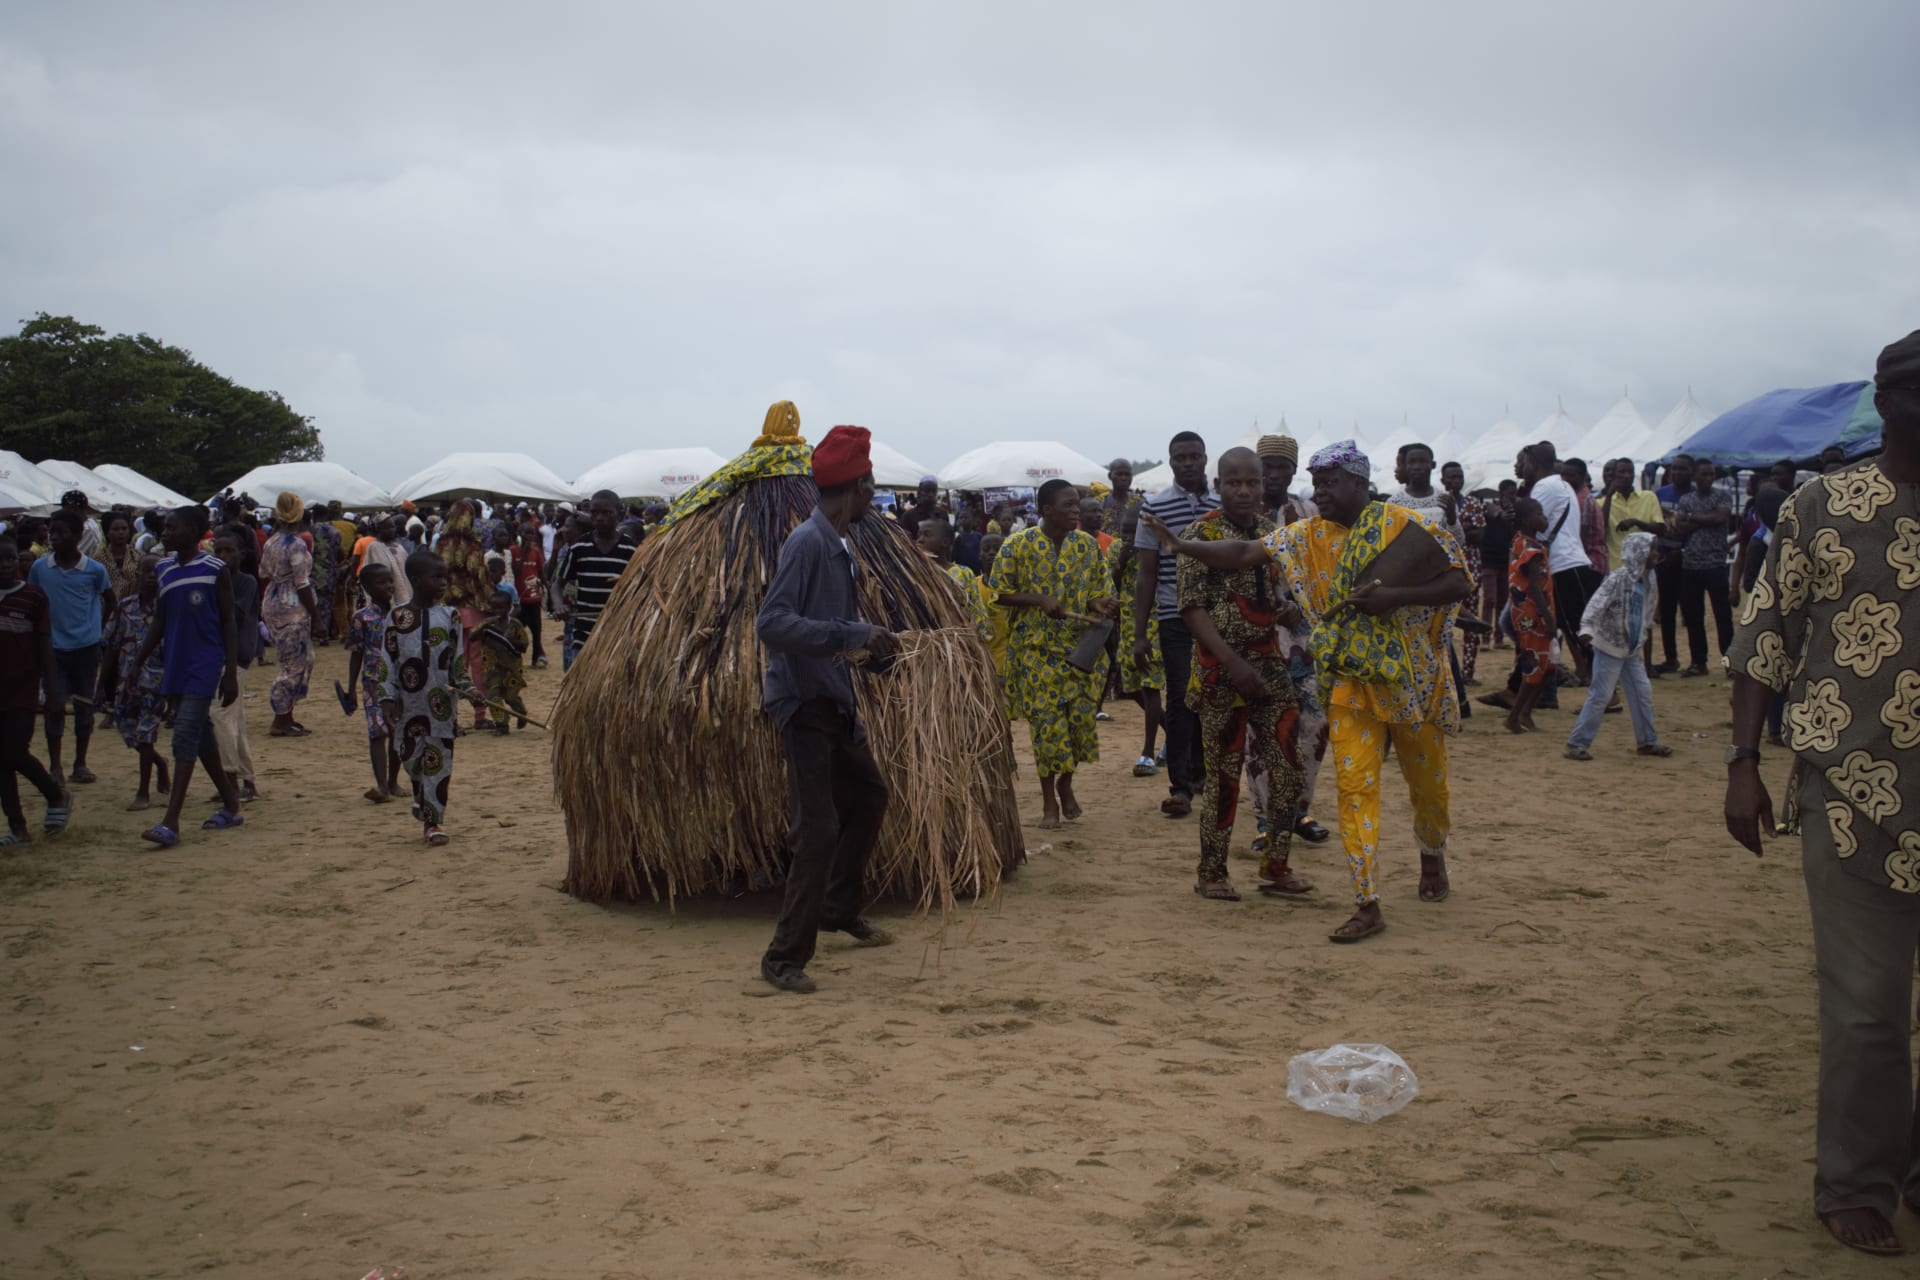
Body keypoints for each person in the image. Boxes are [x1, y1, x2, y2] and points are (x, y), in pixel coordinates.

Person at [1722, 329, 1920, 1259]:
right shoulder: (1823, 505)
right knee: (1868, 1008)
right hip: (1851, 792)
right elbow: (1766, 633)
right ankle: (1855, 1181)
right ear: (1886, 403)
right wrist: (1742, 762)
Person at [1144, 440, 1473, 943]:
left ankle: (1431, 852)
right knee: (1352, 788)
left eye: (1330, 483)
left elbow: (1459, 583)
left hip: (1411, 683)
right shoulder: (1301, 534)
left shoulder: (1404, 525)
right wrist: (1181, 547)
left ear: (1360, 484)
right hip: (1339, 684)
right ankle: (1366, 900)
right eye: (1316, 484)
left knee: (1424, 789)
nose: (1320, 492)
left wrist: (1394, 597)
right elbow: (1236, 559)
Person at [754, 425, 901, 994]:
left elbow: (828, 630)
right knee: (816, 831)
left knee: (869, 797)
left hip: (833, 697)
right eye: (871, 487)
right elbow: (773, 623)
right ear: (857, 488)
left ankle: (838, 907)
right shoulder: (808, 542)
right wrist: (852, 632)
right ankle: (783, 957)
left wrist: (872, 653)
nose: (873, 497)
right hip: (804, 702)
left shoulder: (838, 544)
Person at [1177, 447, 1306, 902]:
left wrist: (1285, 609)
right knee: (1223, 776)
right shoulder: (1199, 534)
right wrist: (1233, 663)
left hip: (1270, 666)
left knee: (1288, 768)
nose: (1245, 490)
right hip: (1219, 673)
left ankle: (1276, 866)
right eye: (1234, 483)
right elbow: (1191, 609)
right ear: (1218, 485)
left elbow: (1272, 592)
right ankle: (1212, 871)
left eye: (1252, 482)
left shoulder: (1271, 534)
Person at [993, 479, 1117, 829]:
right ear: (1046, 510)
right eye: (1069, 505)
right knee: (1047, 729)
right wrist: (1038, 599)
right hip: (1035, 652)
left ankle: (1066, 783)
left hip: (1080, 654)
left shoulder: (1087, 546)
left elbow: (1099, 591)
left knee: (1079, 726)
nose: (1076, 510)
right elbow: (999, 593)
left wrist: (1099, 603)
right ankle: (1049, 801)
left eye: (1077, 504)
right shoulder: (1017, 545)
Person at [132, 505, 244, 849]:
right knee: (201, 736)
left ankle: (171, 821)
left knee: (184, 734)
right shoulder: (164, 569)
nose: (165, 532)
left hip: (205, 663)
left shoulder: (214, 570)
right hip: (176, 662)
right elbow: (160, 620)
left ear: (193, 532)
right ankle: (231, 804)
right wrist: (138, 661)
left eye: (172, 527)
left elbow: (228, 620)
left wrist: (230, 672)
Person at [1133, 431, 1219, 819]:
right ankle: (1180, 787)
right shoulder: (1154, 508)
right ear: (1170, 462)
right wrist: (1139, 633)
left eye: (1193, 456)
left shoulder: (1222, 505)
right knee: (1183, 697)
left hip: (1218, 616)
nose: (1187, 463)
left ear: (1204, 458)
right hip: (1174, 616)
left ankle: (1202, 773)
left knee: (1212, 696)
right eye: (1179, 457)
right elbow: (1147, 573)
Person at [377, 551, 487, 846]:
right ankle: (421, 796)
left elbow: (457, 661)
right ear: (415, 581)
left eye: (444, 577)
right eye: (435, 577)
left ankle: (433, 822)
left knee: (439, 764)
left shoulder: (450, 616)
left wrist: (469, 690)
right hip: (407, 705)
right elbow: (388, 660)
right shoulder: (396, 617)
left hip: (441, 706)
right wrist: (386, 698)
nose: (443, 583)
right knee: (411, 759)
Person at [1252, 434, 1329, 848]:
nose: (1273, 475)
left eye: (1281, 467)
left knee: (1313, 724)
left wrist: (1301, 605)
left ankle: (1300, 810)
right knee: (1263, 729)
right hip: (1257, 634)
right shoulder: (1243, 514)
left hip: (1305, 636)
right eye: (1266, 466)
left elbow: (1323, 569)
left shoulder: (1309, 512)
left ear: (1293, 471)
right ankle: (1265, 820)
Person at [1564, 532, 1671, 761]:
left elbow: (1646, 610)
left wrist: (1642, 636)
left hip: (1630, 648)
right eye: (1652, 549)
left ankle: (1647, 741)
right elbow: (1596, 604)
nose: (1656, 554)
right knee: (1601, 695)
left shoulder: (1649, 578)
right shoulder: (1618, 578)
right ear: (1640, 552)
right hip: (1609, 645)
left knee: (1642, 693)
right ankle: (1577, 743)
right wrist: (1587, 629)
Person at [29, 507, 115, 786]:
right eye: (51, 532)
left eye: (61, 532)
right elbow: (33, 602)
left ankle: (80, 762)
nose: (54, 537)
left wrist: (99, 629)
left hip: (85, 648)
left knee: (83, 707)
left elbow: (110, 599)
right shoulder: (40, 568)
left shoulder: (94, 570)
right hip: (52, 649)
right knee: (54, 707)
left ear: (77, 537)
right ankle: (55, 765)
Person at [0, 536, 69, 843]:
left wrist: (53, 691)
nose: (5, 565)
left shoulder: (33, 596)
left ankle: (55, 794)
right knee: (1, 761)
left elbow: (45, 646)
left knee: (14, 753)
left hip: (22, 690)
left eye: (10, 558)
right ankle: (17, 828)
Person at [1515, 441, 1598, 683]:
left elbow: (1531, 527)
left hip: (1562, 565)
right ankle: (1576, 674)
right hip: (1570, 562)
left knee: (1576, 629)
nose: (1520, 468)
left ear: (1533, 464)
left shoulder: (1544, 487)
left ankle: (1602, 683)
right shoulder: (1561, 484)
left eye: (1522, 463)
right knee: (1570, 626)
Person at [100, 553, 171, 810]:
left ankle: (143, 792)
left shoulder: (169, 609)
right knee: (128, 730)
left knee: (145, 734)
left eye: (157, 571)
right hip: (127, 682)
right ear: (137, 574)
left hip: (156, 683)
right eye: (147, 571)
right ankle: (159, 762)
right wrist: (101, 684)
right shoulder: (124, 607)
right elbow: (111, 646)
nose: (152, 576)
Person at [1108, 506, 1164, 776]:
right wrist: (1121, 561)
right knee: (1131, 689)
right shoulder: (1115, 550)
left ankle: (1147, 753)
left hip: (1155, 623)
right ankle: (1175, 733)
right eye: (1125, 532)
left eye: (1135, 531)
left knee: (1150, 686)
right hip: (1128, 626)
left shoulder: (1157, 547)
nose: (1130, 537)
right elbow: (1110, 586)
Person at [553, 490, 636, 668]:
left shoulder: (630, 548)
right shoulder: (579, 547)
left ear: (620, 513)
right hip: (584, 634)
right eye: (595, 513)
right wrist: (559, 604)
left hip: (618, 632)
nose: (599, 518)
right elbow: (558, 584)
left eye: (606, 513)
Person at [259, 492, 319, 737]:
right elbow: (302, 583)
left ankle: (287, 715)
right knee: (294, 663)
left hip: (273, 601)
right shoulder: (296, 544)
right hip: (291, 607)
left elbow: (263, 572)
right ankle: (280, 719)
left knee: (301, 658)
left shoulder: (271, 541)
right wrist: (318, 617)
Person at [343, 561, 403, 804]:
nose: (388, 586)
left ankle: (393, 781)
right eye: (381, 582)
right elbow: (356, 653)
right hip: (373, 683)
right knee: (377, 733)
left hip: (400, 682)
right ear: (367, 587)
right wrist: (350, 688)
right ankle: (381, 785)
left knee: (397, 732)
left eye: (390, 581)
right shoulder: (362, 618)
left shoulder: (402, 614)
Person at [210, 527, 261, 802]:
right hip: (218, 654)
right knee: (233, 718)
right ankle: (247, 780)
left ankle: (229, 778)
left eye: (229, 551)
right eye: (218, 551)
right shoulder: (214, 580)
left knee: (220, 714)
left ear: (241, 554)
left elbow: (235, 614)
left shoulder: (246, 582)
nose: (223, 556)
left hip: (236, 656)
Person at [1672, 457, 1734, 676]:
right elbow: (1680, 527)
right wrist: (1706, 517)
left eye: (1711, 474)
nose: (1708, 478)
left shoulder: (1722, 495)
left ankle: (1730, 662)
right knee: (1693, 616)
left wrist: (1692, 518)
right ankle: (1699, 662)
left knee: (1723, 616)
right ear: (1695, 476)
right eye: (1704, 474)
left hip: (1716, 563)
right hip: (1691, 564)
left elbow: (1721, 517)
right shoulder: (1686, 498)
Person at [437, 500, 494, 730]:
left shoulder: (440, 544)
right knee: (478, 665)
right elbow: (479, 578)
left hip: (447, 612)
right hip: (473, 610)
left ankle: (452, 718)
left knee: (453, 665)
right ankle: (480, 715)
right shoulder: (472, 545)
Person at [1505, 498, 1555, 734]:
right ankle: (1514, 716)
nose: (1544, 518)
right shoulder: (1531, 549)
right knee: (1534, 665)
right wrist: (1548, 617)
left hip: (1530, 610)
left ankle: (1525, 712)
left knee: (1548, 664)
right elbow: (1534, 586)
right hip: (1533, 613)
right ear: (1526, 520)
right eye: (1539, 514)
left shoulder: (1522, 541)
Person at [1440, 461, 1488, 682]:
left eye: (1459, 476)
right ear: (1443, 480)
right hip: (1445, 572)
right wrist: (1465, 527)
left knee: (1472, 624)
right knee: (1443, 623)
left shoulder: (1472, 502)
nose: (1457, 481)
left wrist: (1456, 528)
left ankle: (1468, 672)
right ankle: (1449, 673)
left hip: (1472, 570)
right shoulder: (1438, 504)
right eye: (1452, 477)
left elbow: (1480, 535)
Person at [1649, 455, 1695, 674]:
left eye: (1682, 469)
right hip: (1664, 560)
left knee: (1691, 612)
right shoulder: (1660, 494)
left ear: (1691, 471)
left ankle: (1697, 660)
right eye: (1674, 469)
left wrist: (1683, 551)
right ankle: (1670, 659)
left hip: (1689, 562)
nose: (1677, 473)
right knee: (1667, 612)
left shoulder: (1696, 496)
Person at [917, 514, 991, 638]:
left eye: (927, 535)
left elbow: (976, 608)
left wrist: (981, 635)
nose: (920, 540)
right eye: (919, 534)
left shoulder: (963, 573)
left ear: (945, 542)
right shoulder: (918, 574)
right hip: (930, 639)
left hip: (962, 638)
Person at [478, 588, 531, 733]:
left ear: (509, 607)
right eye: (493, 607)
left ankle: (520, 712)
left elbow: (524, 645)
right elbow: (472, 636)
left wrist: (513, 641)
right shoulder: (487, 625)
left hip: (512, 668)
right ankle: (502, 724)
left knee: (511, 697)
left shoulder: (515, 624)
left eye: (500, 608)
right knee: (493, 696)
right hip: (492, 668)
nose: (497, 611)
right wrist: (484, 624)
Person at [1480, 481, 1515, 645]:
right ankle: (1486, 637)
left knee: (1502, 600)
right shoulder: (1490, 507)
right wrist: (1502, 513)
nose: (1513, 497)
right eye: (1510, 493)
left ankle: (1498, 638)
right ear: (1501, 493)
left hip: (1504, 561)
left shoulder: (1513, 513)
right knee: (1490, 600)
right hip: (1488, 560)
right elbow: (1492, 512)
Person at [510, 522, 548, 667]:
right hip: (518, 599)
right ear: (519, 534)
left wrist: (548, 589)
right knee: (516, 629)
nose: (529, 536)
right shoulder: (513, 551)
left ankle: (537, 657)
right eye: (526, 532)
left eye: (532, 533)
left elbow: (540, 572)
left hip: (534, 598)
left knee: (536, 630)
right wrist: (523, 554)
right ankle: (514, 657)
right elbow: (515, 572)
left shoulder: (536, 551)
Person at [362, 515, 412, 607]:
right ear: (379, 529)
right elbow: (371, 574)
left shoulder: (399, 547)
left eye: (393, 527)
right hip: (384, 596)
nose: (392, 530)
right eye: (387, 527)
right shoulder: (374, 547)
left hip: (405, 593)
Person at [99, 511, 142, 605]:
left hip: (132, 608)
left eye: (124, 528)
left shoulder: (138, 557)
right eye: (115, 529)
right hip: (104, 609)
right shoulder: (98, 558)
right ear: (107, 533)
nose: (121, 532)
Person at [1100, 458, 1141, 536]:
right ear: (1110, 476)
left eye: (1127, 474)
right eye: (1119, 474)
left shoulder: (1139, 503)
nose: (1123, 478)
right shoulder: (1101, 502)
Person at [60, 490, 103, 558]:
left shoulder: (87, 528)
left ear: (73, 509)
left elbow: (70, 556)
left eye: (66, 510)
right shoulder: (89, 523)